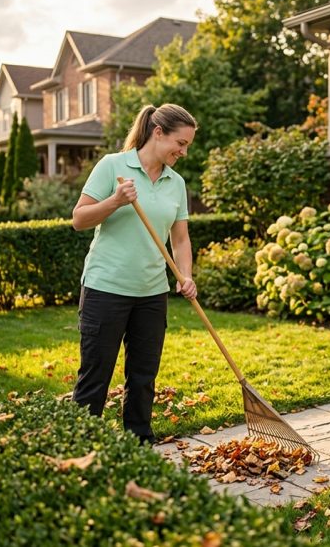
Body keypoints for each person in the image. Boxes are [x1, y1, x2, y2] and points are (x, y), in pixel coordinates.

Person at [71, 103, 198, 445]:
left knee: (143, 375)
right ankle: (80, 443)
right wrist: (115, 201)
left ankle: (138, 440)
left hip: (152, 293)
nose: (183, 152)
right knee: (95, 375)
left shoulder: (176, 182)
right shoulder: (113, 166)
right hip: (106, 288)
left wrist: (185, 274)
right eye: (180, 143)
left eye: (187, 146)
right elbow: (79, 219)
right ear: (158, 133)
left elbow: (180, 237)